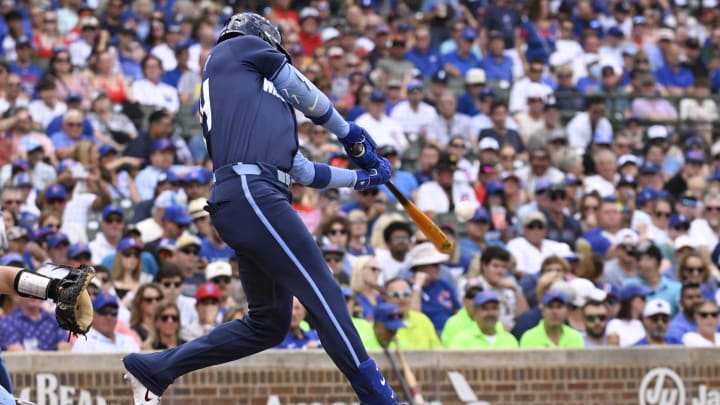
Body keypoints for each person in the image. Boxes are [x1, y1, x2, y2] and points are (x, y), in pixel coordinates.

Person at [122, 12, 399, 405]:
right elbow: (299, 86)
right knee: (323, 290)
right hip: (253, 190)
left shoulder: (255, 101)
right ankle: (377, 397)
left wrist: (361, 180)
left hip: (252, 196)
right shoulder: (236, 48)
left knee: (269, 323)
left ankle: (156, 368)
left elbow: (300, 169)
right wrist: (347, 131)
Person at [446, 290, 519, 349]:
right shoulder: (461, 341)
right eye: (485, 309)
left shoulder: (510, 340)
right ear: (475, 313)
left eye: (494, 308)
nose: (490, 313)